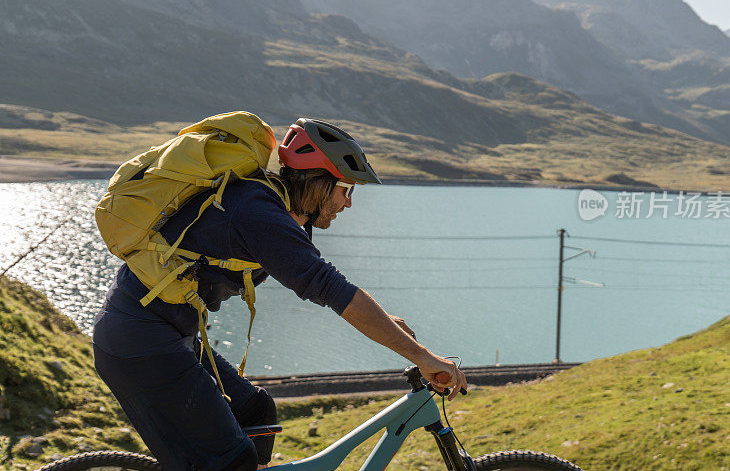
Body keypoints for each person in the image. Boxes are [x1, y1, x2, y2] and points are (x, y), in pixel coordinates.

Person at [92, 118, 467, 471]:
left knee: (256, 412)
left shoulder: (273, 208)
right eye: (345, 190)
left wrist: (389, 328)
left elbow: (318, 282)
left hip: (168, 334)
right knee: (231, 461)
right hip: (140, 344)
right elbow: (332, 288)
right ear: (318, 183)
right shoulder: (256, 212)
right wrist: (422, 356)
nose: (348, 203)